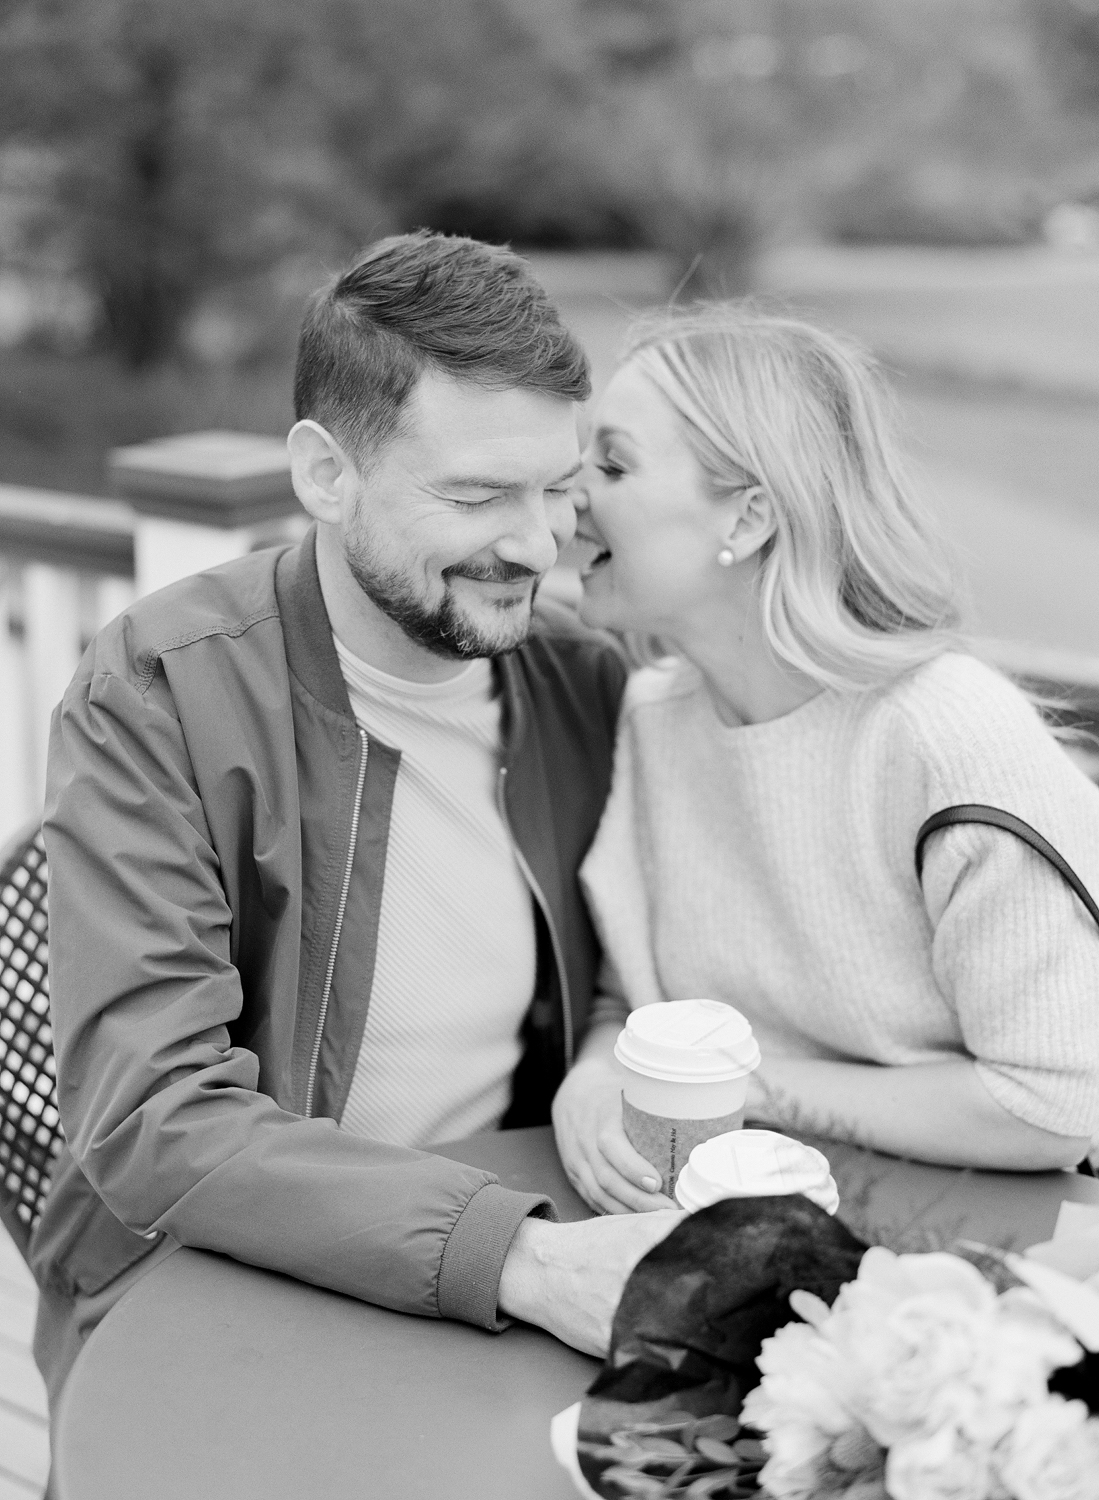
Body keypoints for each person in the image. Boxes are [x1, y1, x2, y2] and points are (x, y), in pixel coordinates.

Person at [32, 232, 681, 1411]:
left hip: (514, 1274)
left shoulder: (579, 681)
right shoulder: (160, 687)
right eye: (478, 495)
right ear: (326, 475)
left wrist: (597, 1058)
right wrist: (522, 1257)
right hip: (223, 1282)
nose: (537, 545)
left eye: (554, 488)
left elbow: (647, 949)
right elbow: (152, 1118)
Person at [552, 303, 1099, 1216]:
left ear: (751, 515)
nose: (567, 491)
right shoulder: (654, 717)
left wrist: (745, 1089)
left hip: (977, 1250)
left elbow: (1055, 1102)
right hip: (730, 1228)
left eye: (612, 462)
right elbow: (630, 996)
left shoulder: (949, 738)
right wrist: (593, 1078)